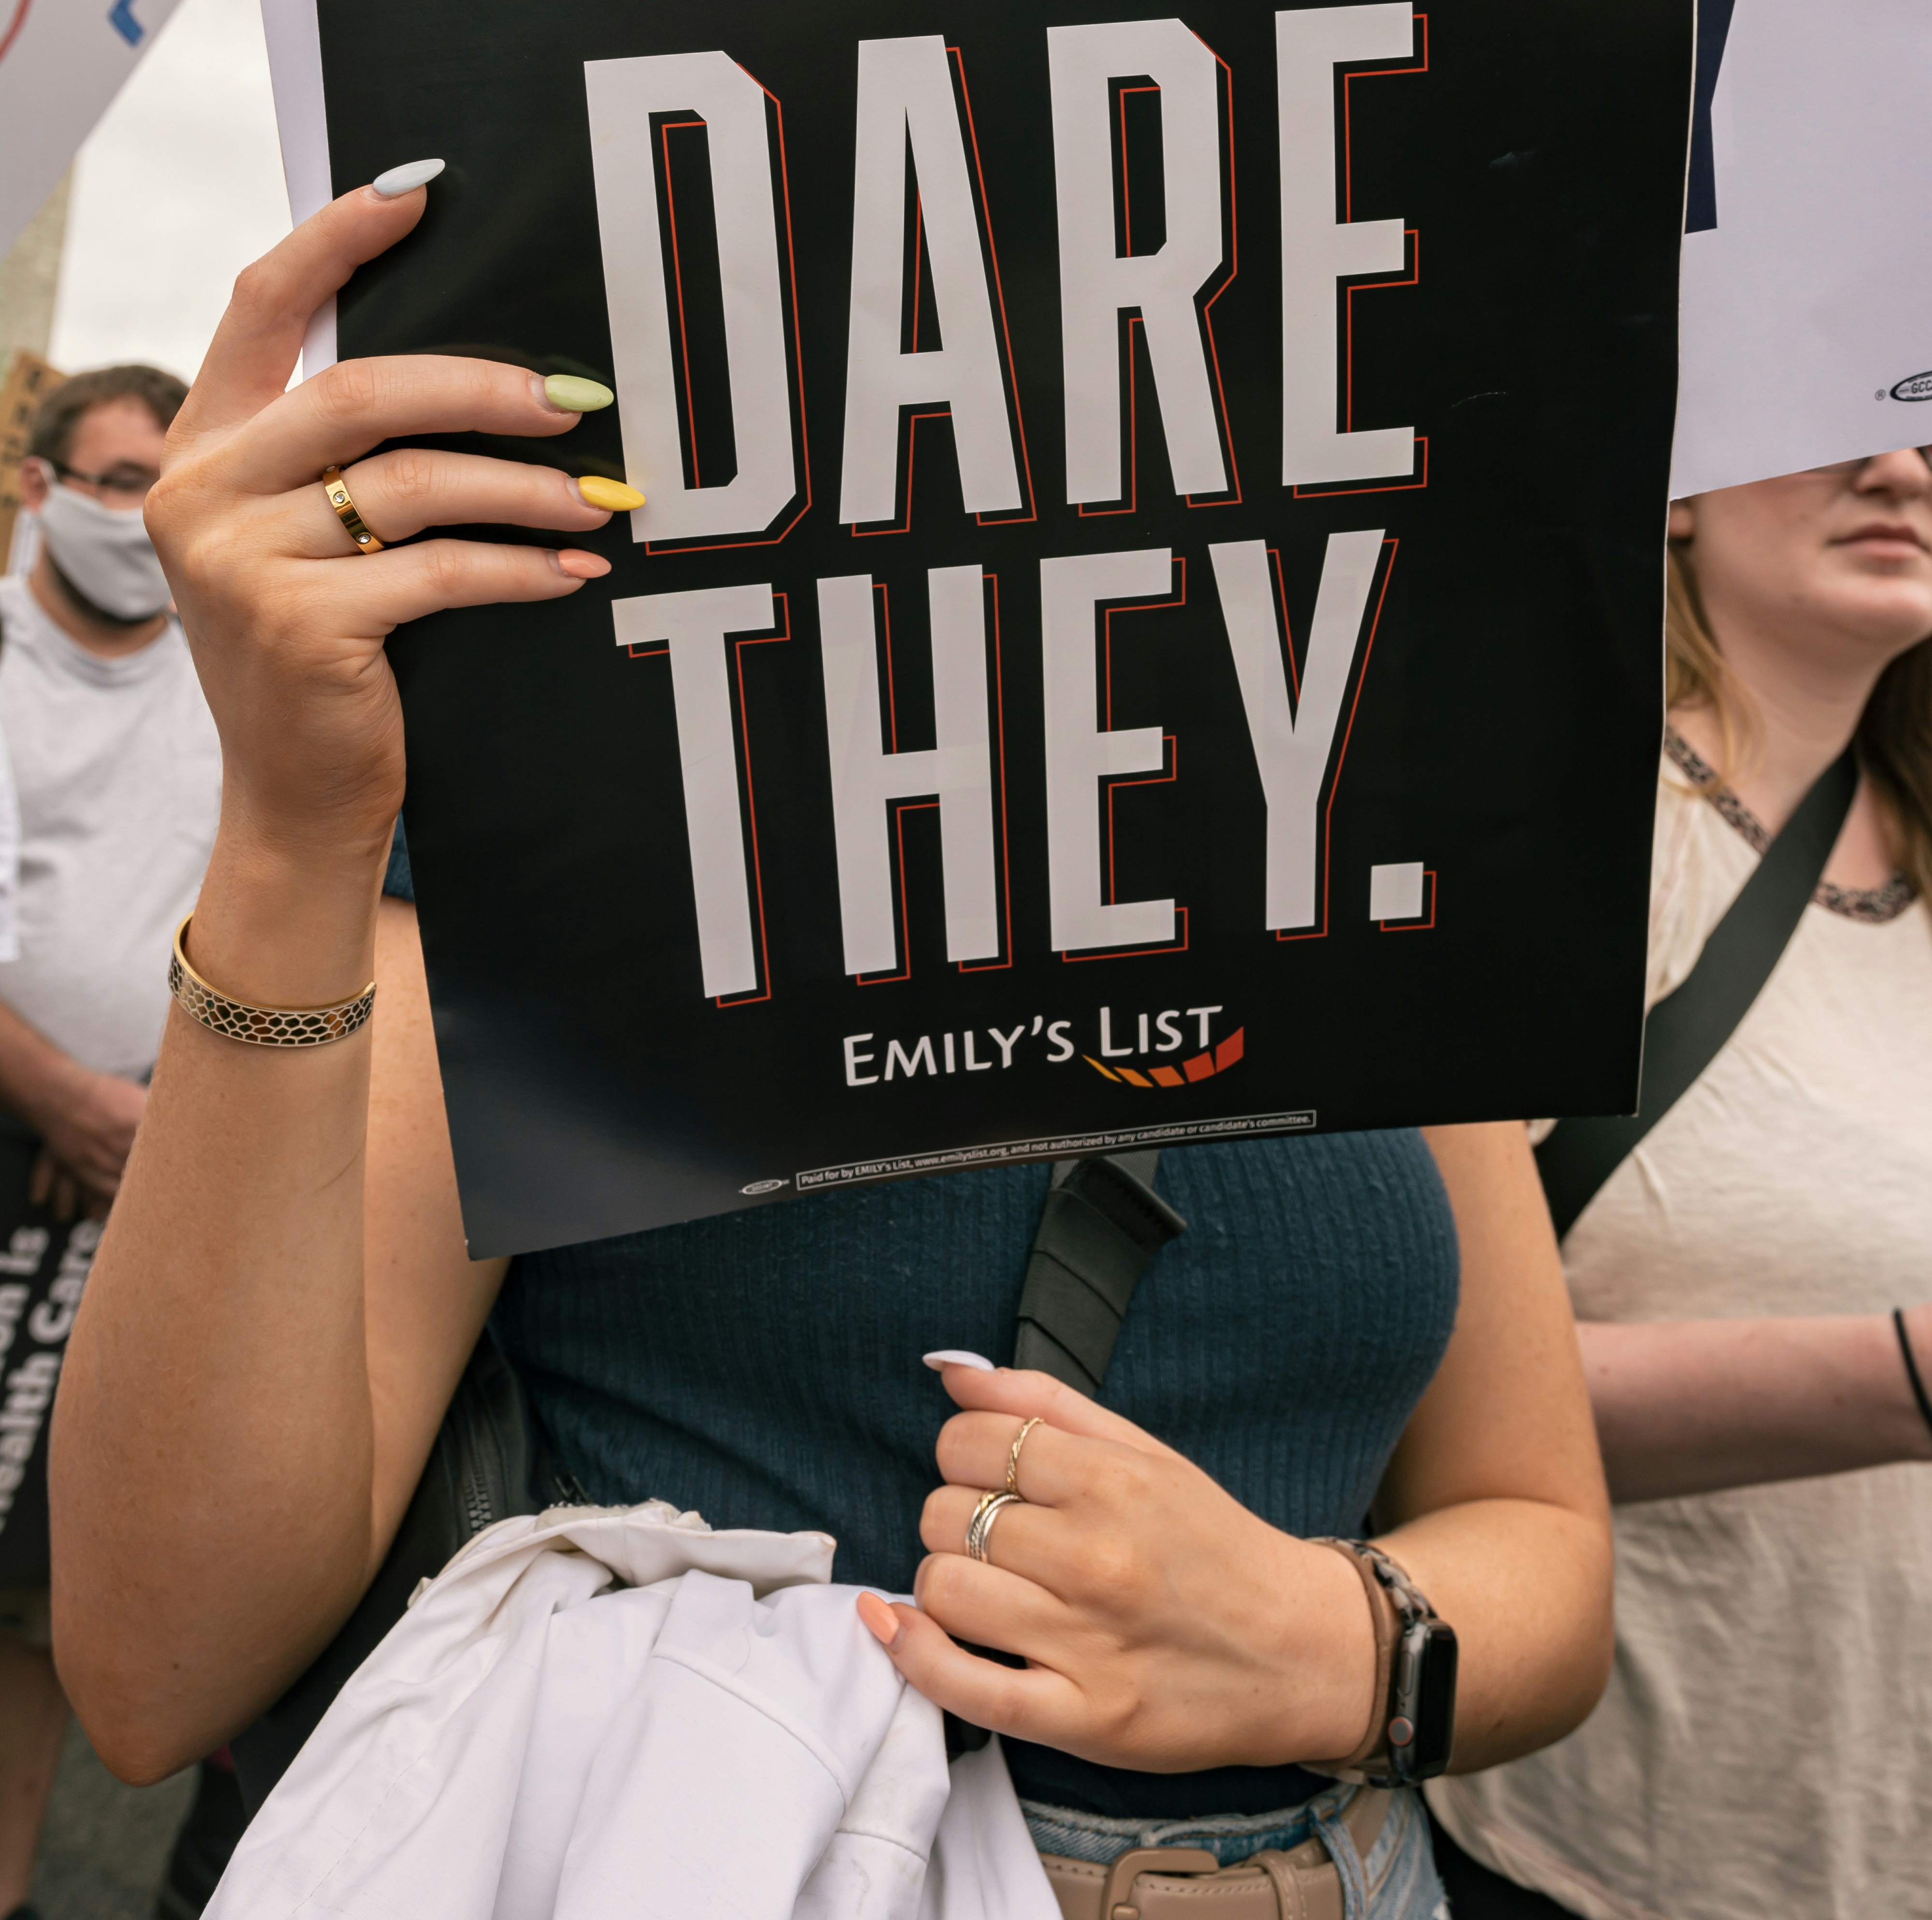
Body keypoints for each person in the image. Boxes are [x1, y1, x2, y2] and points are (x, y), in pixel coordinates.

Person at [52, 185, 1619, 1918]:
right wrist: (291, 833)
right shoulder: (572, 765)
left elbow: (1548, 1552)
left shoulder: (1358, 789)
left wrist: (1329, 1641)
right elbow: (152, 1667)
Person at [1430, 450, 1932, 1920]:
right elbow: (1417, 1393)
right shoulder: (1574, 835)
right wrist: (1900, 1375)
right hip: (1589, 1862)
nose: (1901, 463)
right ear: (1677, 486)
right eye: (1833, 408)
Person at [0, 365, 221, 1920]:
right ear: (39, 486)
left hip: (131, 1189)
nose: (149, 519)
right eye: (123, 480)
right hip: (40, 1151)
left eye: (175, 483)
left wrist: (147, 1119)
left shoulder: (227, 674)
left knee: (37, 1603)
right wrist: (58, 1095)